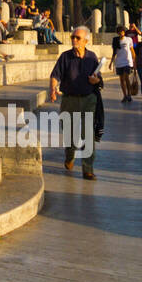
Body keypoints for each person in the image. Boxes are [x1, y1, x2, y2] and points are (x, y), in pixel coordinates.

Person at [47, 25, 103, 180]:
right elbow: (55, 75)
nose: (74, 40)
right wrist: (53, 89)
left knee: (88, 135)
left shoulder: (92, 57)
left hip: (88, 100)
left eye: (77, 38)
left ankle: (88, 168)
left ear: (86, 41)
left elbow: (99, 79)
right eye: (73, 37)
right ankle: (69, 156)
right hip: (69, 100)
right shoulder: (65, 57)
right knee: (70, 134)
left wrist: (95, 80)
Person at [108, 25, 136, 103]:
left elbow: (132, 50)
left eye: (122, 31)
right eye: (120, 32)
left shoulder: (129, 39)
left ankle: (129, 94)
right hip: (119, 62)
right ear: (117, 33)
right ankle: (125, 95)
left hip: (127, 61)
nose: (121, 33)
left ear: (124, 32)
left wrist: (135, 60)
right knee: (121, 80)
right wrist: (111, 63)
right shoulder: (115, 40)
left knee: (126, 77)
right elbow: (114, 53)